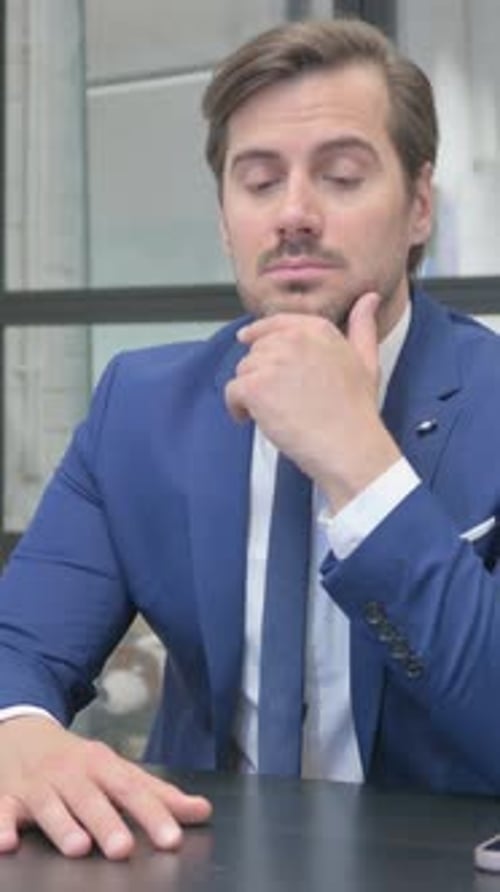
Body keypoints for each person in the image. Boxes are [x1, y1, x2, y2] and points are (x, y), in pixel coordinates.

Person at [0, 15, 500, 862]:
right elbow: (21, 645)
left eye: (341, 177)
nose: (295, 214)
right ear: (226, 216)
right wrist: (16, 730)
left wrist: (364, 469)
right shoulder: (142, 406)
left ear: (419, 207)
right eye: (259, 182)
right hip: (201, 862)